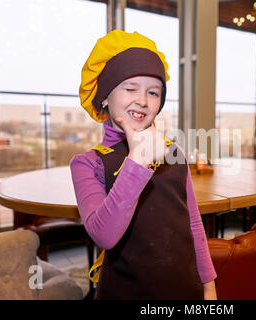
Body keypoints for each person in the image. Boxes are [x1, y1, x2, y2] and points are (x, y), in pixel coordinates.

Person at [70, 30, 217, 300]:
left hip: (185, 289)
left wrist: (208, 286)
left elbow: (193, 222)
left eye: (153, 92)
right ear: (104, 96)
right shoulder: (87, 164)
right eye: (130, 88)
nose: (143, 100)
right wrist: (137, 161)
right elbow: (105, 236)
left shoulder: (175, 152)